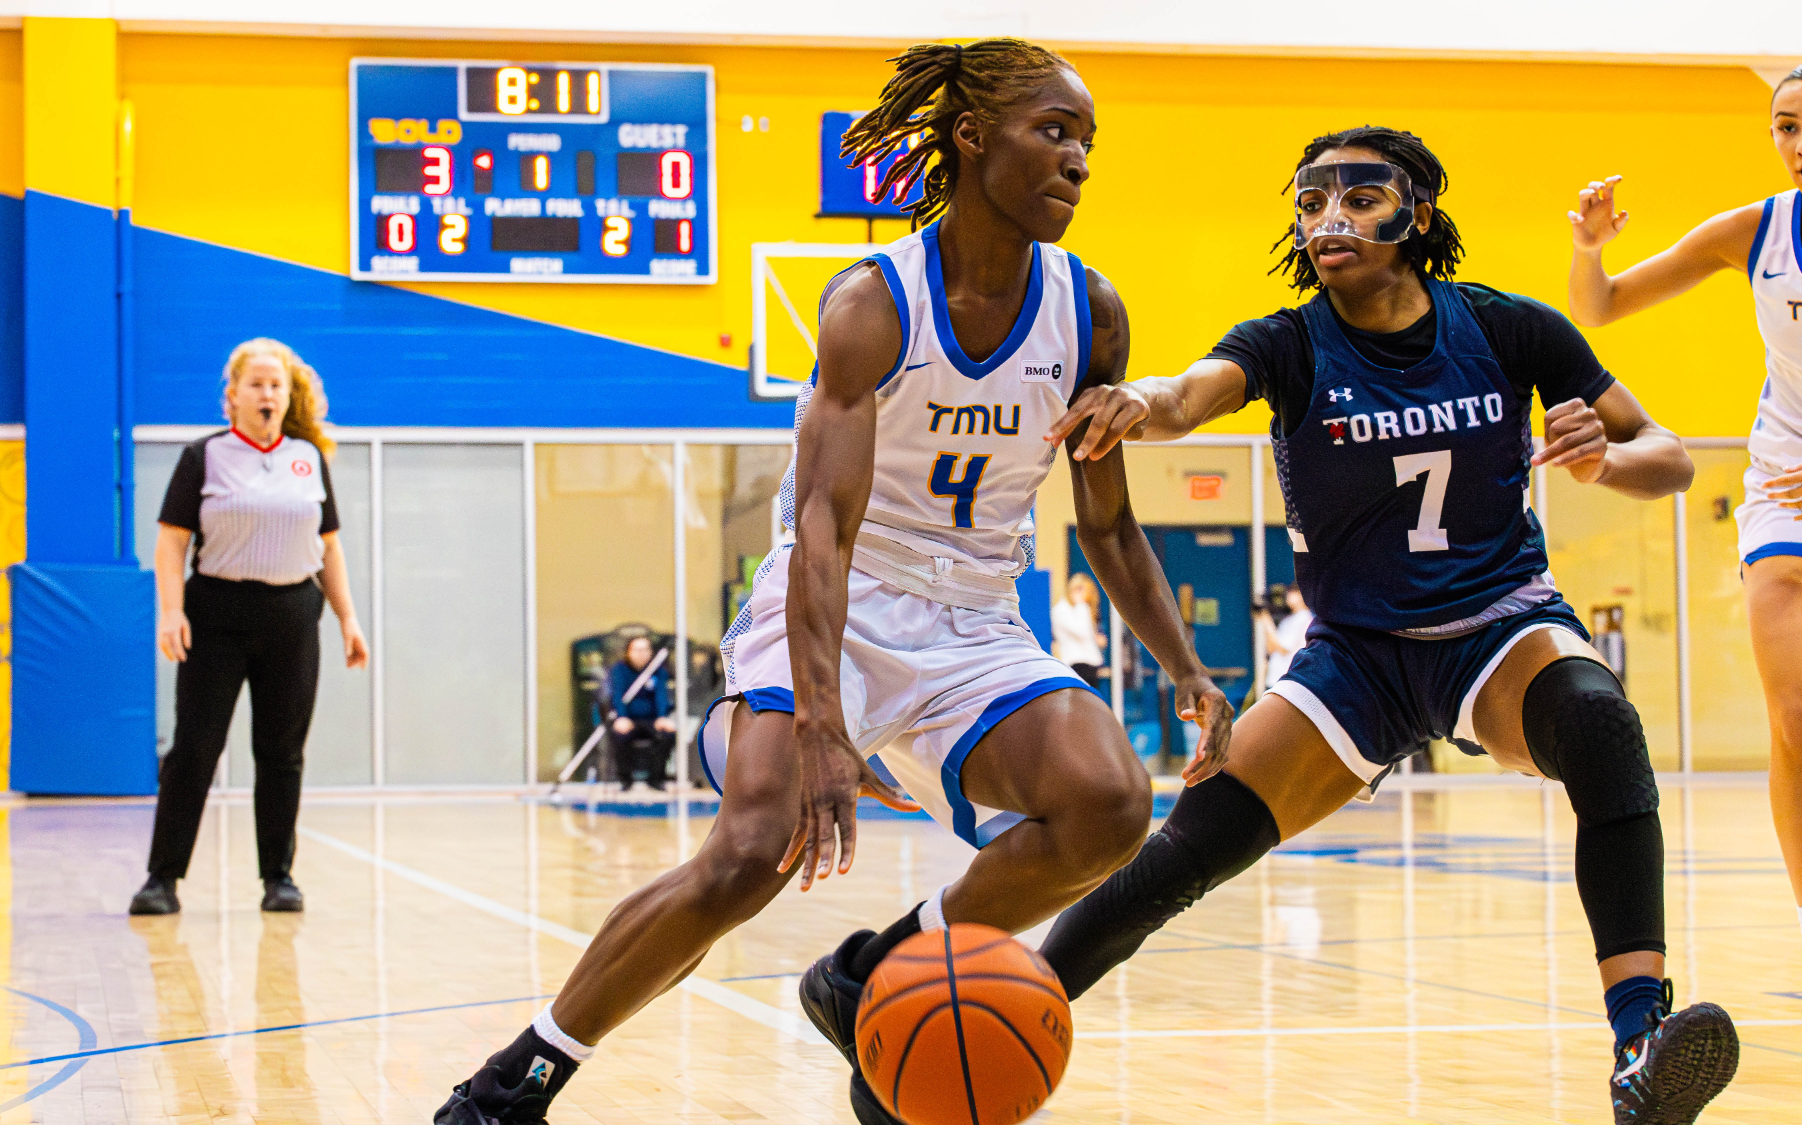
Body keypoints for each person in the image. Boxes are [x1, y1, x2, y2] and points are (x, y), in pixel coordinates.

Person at [431, 39, 1232, 1125]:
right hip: (835, 602)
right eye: (1054, 132)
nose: (1078, 160)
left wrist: (1185, 667)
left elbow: (1108, 522)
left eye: (1087, 141)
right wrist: (821, 722)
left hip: (973, 616)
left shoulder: (1089, 312)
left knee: (1109, 803)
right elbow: (824, 530)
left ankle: (873, 974)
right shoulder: (873, 303)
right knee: (755, 849)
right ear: (971, 136)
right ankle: (514, 1081)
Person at [1036, 125, 1739, 1124]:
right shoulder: (1286, 342)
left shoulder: (1506, 327)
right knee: (1188, 849)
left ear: (1416, 214)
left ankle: (1638, 1046)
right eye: (1309, 203)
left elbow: (1668, 458)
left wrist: (1603, 460)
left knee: (1598, 721)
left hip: (1496, 627)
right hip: (1356, 656)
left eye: (1358, 200)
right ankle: (1003, 1012)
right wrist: (1132, 401)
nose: (1329, 220)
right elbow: (1186, 396)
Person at [1562, 59, 1802, 1027]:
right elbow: (1600, 307)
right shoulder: (1754, 232)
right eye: (1785, 126)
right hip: (1788, 489)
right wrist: (1589, 250)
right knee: (1796, 718)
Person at [129, 338, 369, 917]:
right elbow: (172, 541)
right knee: (195, 748)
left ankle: (278, 877)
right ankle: (163, 878)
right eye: (256, 384)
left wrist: (348, 618)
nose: (267, 394)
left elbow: (329, 546)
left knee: (282, 751)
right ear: (232, 396)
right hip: (216, 613)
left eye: (276, 385)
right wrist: (171, 610)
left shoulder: (307, 458)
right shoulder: (204, 456)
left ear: (288, 397)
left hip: (292, 615)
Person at [603, 635, 675, 791]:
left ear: (651, 652)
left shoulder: (658, 671)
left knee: (668, 735)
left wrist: (662, 717)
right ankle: (625, 780)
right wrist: (622, 717)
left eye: (645, 649)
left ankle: (655, 779)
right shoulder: (619, 670)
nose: (641, 654)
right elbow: (618, 695)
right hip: (628, 719)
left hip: (651, 720)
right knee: (619, 735)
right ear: (628, 652)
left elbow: (661, 695)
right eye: (637, 650)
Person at [1051, 571, 1107, 687]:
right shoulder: (1062, 609)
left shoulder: (1080, 609)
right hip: (1076, 663)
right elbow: (1083, 632)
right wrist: (1081, 605)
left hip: (1089, 664)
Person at [1257, 582, 1312, 687]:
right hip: (1274, 678)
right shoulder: (1287, 620)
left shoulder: (1304, 617)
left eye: (1294, 592)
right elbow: (1271, 649)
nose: (1289, 594)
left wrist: (1266, 620)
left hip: (1287, 679)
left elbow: (1284, 649)